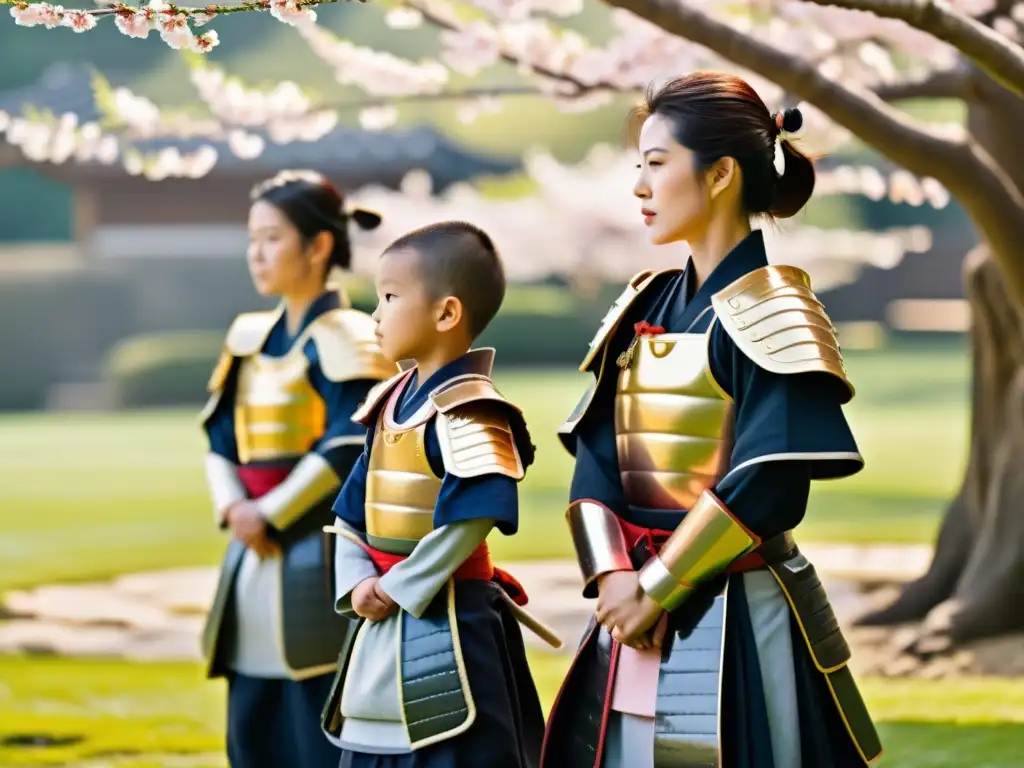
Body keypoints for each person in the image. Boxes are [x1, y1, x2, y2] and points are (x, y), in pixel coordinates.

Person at [540, 72, 884, 768]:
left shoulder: (775, 310)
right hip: (629, 601)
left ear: (721, 173)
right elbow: (598, 453)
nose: (639, 186)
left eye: (657, 164)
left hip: (735, 606)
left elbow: (770, 478)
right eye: (638, 165)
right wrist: (612, 579)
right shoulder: (647, 301)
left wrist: (658, 587)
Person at [320, 221, 552, 768]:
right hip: (380, 609)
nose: (375, 314)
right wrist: (357, 581)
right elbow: (352, 508)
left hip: (453, 620)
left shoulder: (473, 407)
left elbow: (473, 515)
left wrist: (398, 586)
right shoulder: (387, 401)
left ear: (447, 313)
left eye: (390, 297)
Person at [199, 169, 398, 768]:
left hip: (319, 548)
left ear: (317, 246)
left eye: (272, 238)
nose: (256, 253)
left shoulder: (350, 337)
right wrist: (234, 506)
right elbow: (218, 434)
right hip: (250, 547)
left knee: (316, 706)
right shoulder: (247, 338)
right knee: (253, 710)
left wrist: (269, 511)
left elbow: (349, 443)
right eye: (251, 238)